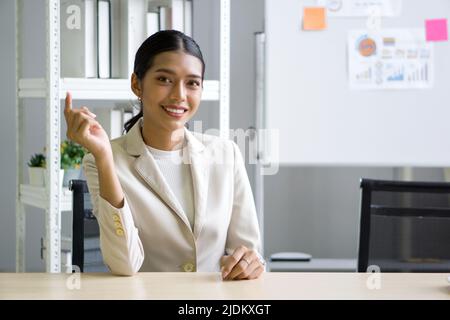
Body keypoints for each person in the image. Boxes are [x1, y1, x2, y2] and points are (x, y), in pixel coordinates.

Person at [64, 30, 264, 280]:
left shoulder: (226, 154)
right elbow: (124, 264)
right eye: (164, 79)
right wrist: (104, 156)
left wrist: (250, 263)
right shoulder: (102, 160)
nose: (179, 94)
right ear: (137, 84)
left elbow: (248, 252)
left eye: (192, 82)